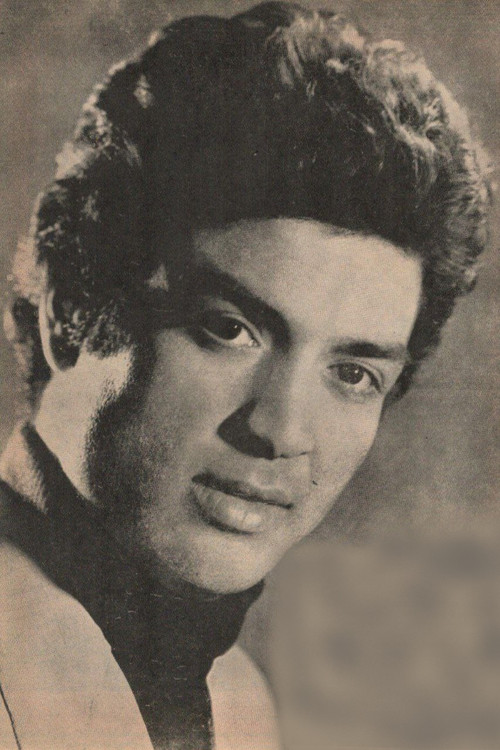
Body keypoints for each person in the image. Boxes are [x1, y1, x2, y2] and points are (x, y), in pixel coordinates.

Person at [0, 2, 490, 749]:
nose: (280, 431)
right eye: (229, 329)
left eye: (353, 373)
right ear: (72, 310)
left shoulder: (237, 703)